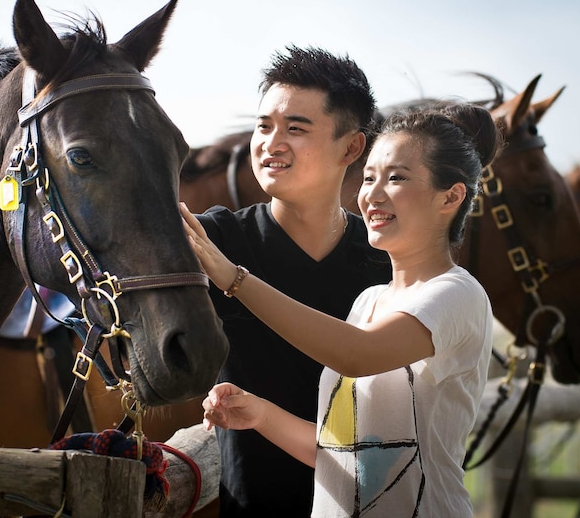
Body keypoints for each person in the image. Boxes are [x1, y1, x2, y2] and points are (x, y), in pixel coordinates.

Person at [182, 102, 499, 516]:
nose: (372, 194)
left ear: (451, 196)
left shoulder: (458, 294)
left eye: (397, 178)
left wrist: (233, 279)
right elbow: (352, 453)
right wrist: (260, 414)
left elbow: (356, 353)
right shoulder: (370, 301)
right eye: (369, 178)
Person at [193, 45, 391, 516]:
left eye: (295, 129)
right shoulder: (213, 238)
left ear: (351, 147)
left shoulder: (387, 258)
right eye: (264, 126)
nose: (270, 143)